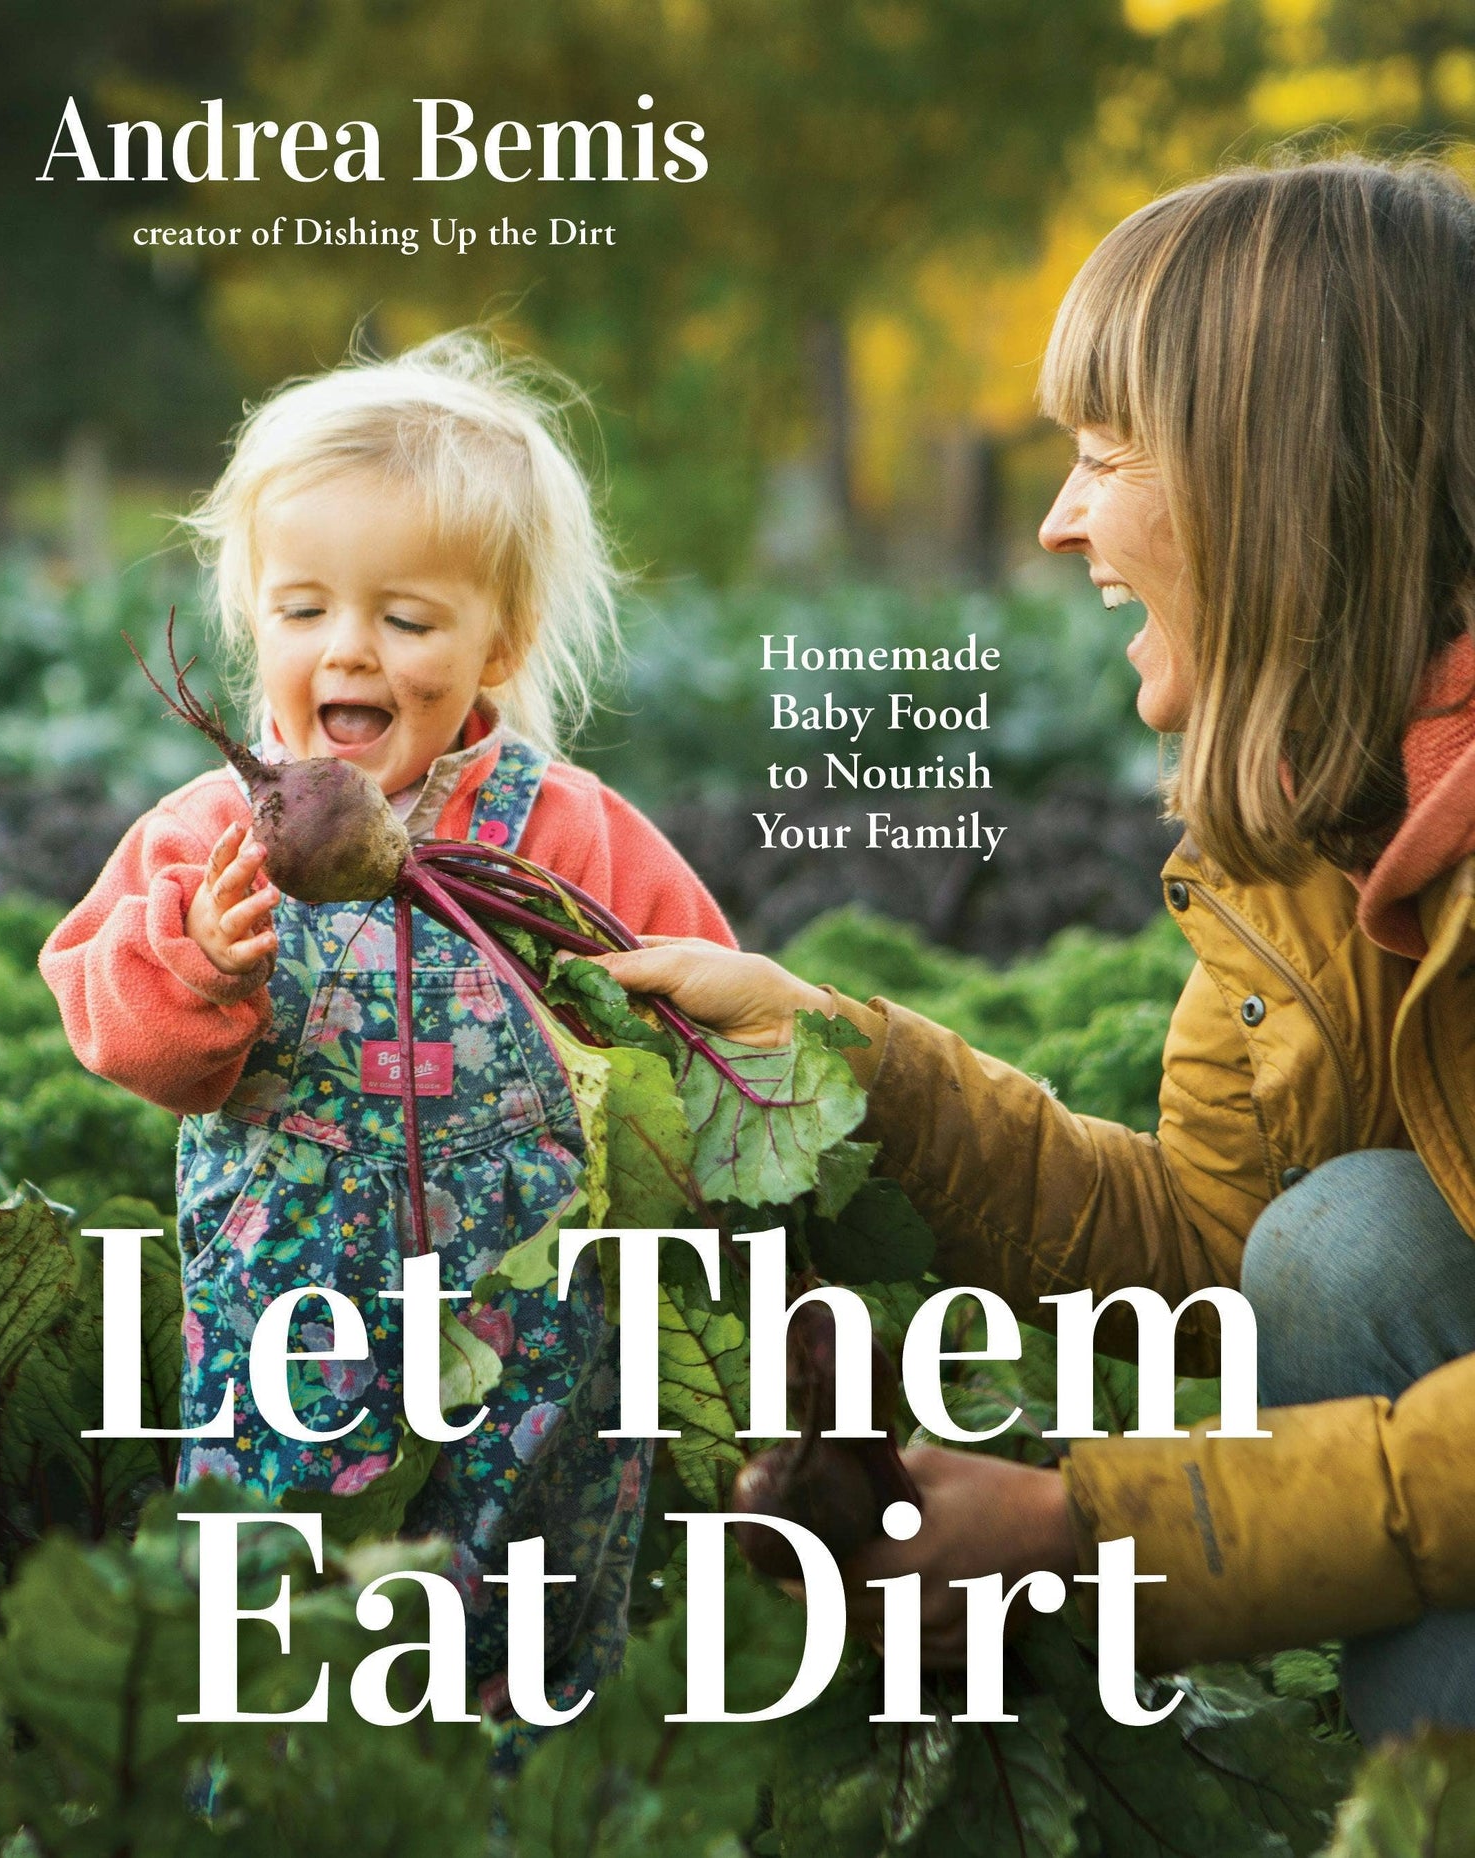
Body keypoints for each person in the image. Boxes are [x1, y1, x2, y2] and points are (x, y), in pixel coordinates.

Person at [594, 157, 1475, 1743]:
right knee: (1342, 1241)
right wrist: (847, 1064)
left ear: (1277, 490)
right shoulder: (1309, 838)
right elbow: (1217, 1259)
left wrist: (1090, 1530)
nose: (1063, 520)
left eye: (1106, 457)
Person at [40, 333, 733, 1743]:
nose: (347, 647)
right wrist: (198, 967)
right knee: (292, 1654)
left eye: (406, 620)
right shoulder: (205, 841)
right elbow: (118, 1029)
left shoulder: (569, 834)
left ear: (501, 639)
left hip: (540, 1359)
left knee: (532, 1654)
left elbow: (713, 1012)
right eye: (303, 610)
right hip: (290, 1352)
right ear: (256, 627)